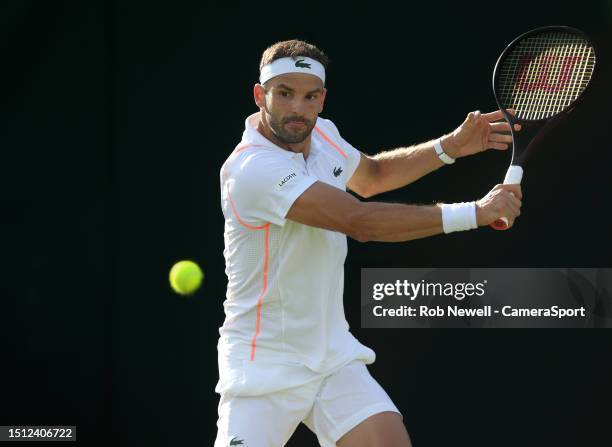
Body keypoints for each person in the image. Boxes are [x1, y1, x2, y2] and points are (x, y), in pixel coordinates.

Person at [215, 39, 522, 447]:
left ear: (322, 99)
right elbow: (357, 220)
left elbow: (372, 177)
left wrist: (449, 148)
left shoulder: (323, 134)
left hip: (332, 359)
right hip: (262, 366)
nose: (297, 109)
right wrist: (475, 212)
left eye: (309, 97)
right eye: (284, 94)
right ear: (260, 95)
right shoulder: (252, 169)